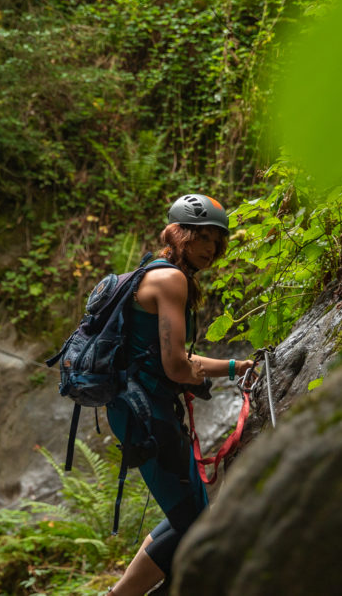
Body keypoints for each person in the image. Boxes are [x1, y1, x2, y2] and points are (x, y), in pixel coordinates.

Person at [106, 194, 255, 595]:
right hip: (146, 413)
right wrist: (193, 378)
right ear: (180, 235)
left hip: (137, 408)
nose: (209, 248)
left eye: (216, 241)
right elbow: (176, 366)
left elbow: (174, 359)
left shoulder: (152, 273)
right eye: (201, 238)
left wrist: (232, 368)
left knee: (190, 512)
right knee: (195, 520)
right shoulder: (172, 280)